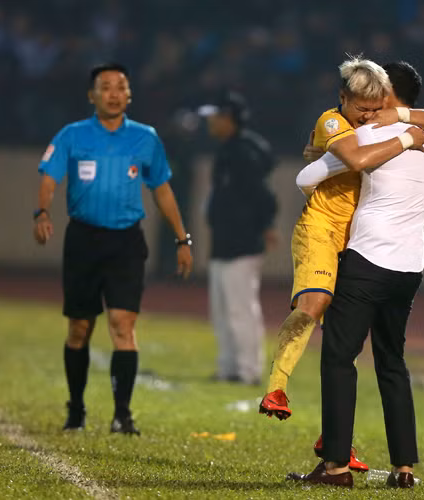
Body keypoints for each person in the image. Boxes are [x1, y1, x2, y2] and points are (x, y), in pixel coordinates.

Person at [259, 56, 424, 470]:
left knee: (339, 355)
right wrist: (405, 132)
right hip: (405, 263)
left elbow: (307, 177)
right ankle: (403, 468)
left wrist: (325, 159)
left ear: (386, 95)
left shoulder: (370, 133)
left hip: (365, 255)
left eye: (375, 99)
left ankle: (336, 461)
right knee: (389, 361)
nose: (368, 109)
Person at [33, 62, 193, 435]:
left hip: (126, 242)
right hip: (83, 241)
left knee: (123, 325)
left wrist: (182, 239)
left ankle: (122, 415)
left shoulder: (145, 138)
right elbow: (49, 177)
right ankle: (76, 409)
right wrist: (41, 212)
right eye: (106, 87)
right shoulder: (72, 135)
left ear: (130, 95)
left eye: (121, 86)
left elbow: (162, 190)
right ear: (92, 96)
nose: (114, 93)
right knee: (79, 328)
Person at [198, 91, 278, 385]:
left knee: (240, 308)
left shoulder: (243, 152)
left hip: (242, 242)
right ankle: (229, 367)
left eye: (215, 116)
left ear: (228, 118)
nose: (211, 122)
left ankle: (247, 370)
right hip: (224, 240)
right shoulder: (229, 149)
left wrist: (266, 225)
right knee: (222, 309)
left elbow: (264, 195)